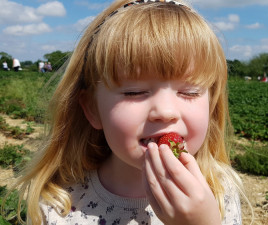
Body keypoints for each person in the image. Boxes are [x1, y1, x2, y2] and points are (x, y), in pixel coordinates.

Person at [10, 0, 250, 224]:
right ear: (92, 109)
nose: (165, 112)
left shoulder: (218, 191)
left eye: (189, 92)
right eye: (134, 92)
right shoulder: (58, 205)